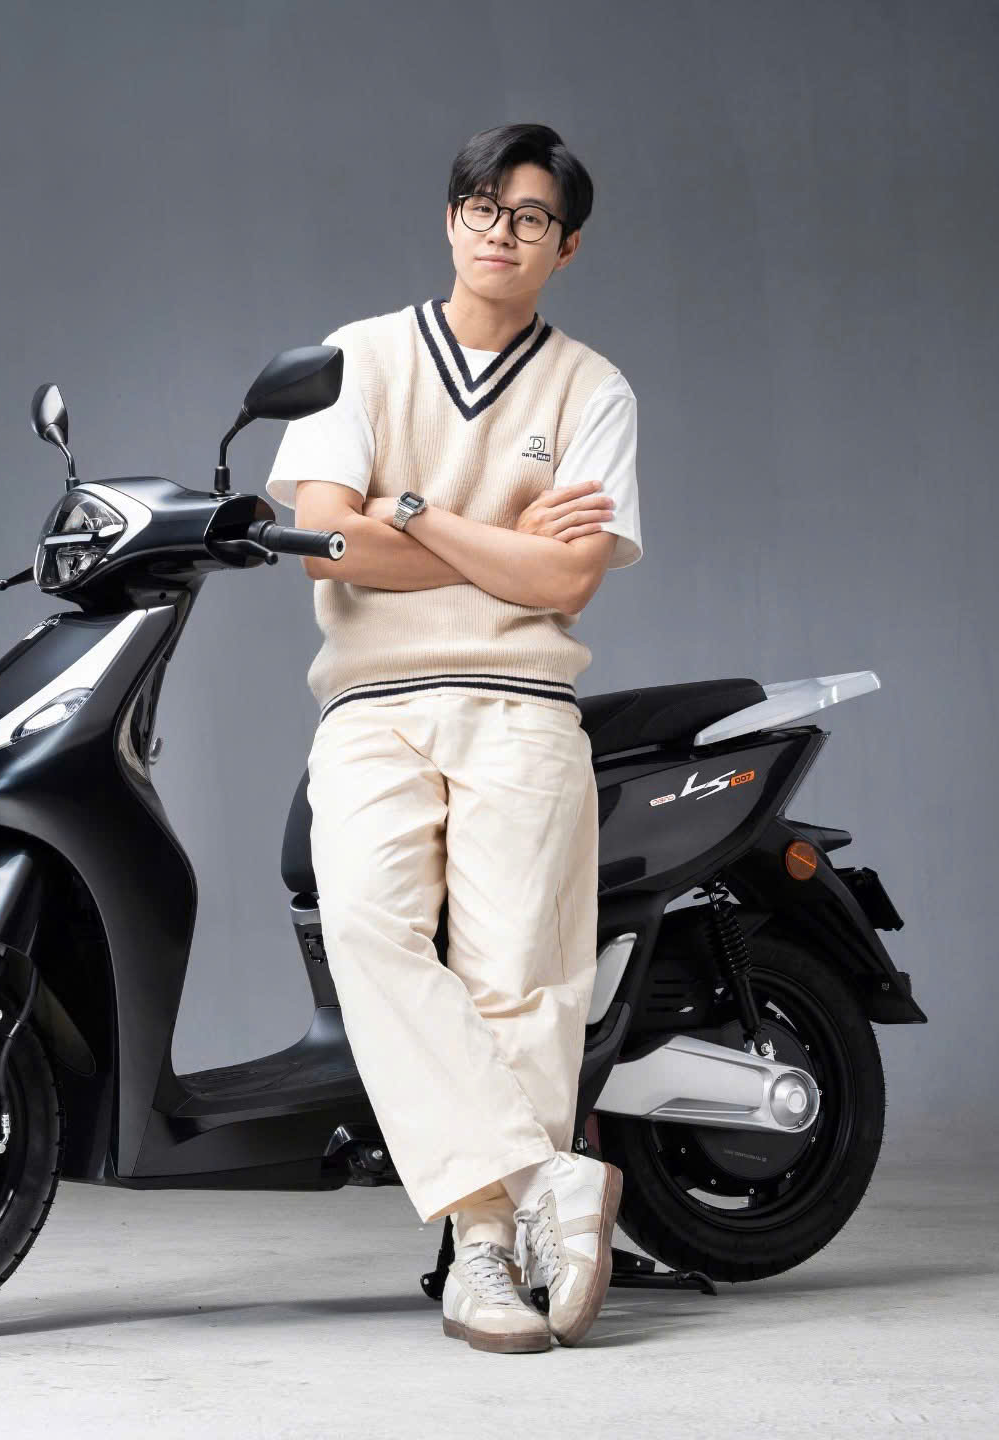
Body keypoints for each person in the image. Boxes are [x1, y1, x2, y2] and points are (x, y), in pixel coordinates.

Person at [264, 123, 643, 1354]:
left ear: (566, 246)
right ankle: (550, 1183)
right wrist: (504, 543)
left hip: (524, 703)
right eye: (483, 206)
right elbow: (328, 542)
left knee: (518, 977)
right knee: (369, 928)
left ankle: (484, 1253)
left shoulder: (592, 389)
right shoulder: (359, 358)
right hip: (371, 703)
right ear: (449, 219)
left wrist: (415, 511)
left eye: (531, 217)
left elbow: (569, 582)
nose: (501, 231)